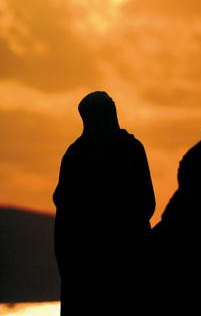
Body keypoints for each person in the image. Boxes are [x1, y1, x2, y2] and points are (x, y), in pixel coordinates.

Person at [53, 91, 155, 315]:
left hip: (92, 271)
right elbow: (148, 204)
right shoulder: (131, 149)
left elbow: (63, 225)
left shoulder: (74, 156)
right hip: (112, 268)